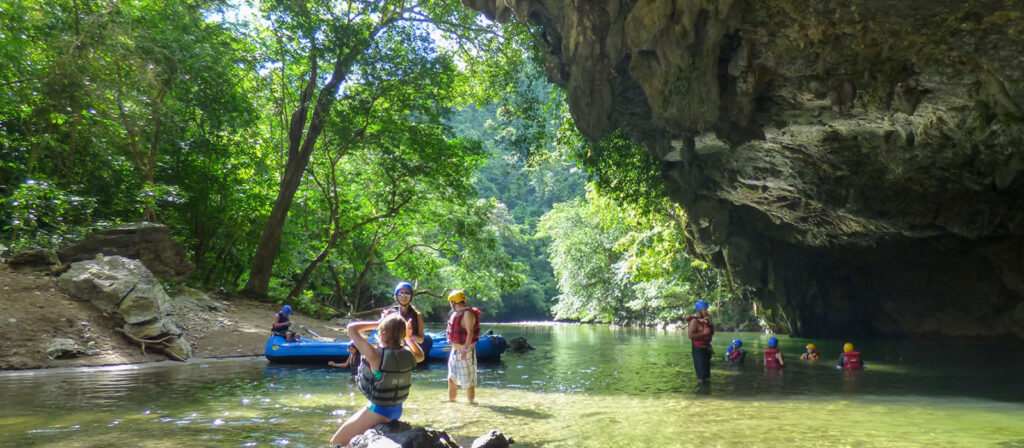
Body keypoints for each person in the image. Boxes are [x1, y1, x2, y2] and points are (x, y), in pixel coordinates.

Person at [328, 314, 424, 447]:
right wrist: (408, 338)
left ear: (382, 333)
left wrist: (379, 322)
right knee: (351, 443)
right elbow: (421, 356)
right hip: (396, 409)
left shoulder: (375, 355)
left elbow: (351, 328)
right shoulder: (408, 355)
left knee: (336, 442)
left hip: (379, 410)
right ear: (402, 335)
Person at [446, 289, 481, 403]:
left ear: (454, 302)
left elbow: (470, 333)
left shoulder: (468, 314)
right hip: (454, 351)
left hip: (466, 351)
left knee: (469, 381)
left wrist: (465, 349)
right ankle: (452, 402)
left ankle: (471, 403)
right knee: (451, 379)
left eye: (451, 302)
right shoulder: (455, 314)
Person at [686, 300, 714, 383]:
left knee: (707, 375)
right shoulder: (694, 321)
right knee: (701, 377)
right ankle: (701, 393)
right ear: (699, 310)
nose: (707, 311)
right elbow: (690, 336)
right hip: (698, 350)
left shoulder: (706, 321)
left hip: (706, 349)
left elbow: (711, 333)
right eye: (705, 309)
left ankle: (708, 393)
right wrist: (703, 333)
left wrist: (711, 322)